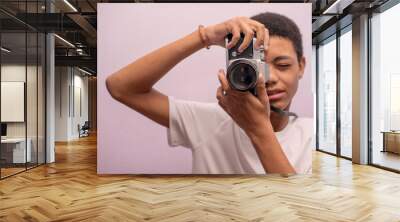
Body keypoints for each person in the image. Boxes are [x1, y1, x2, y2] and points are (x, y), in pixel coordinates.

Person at [106, 12, 313, 174]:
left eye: (283, 65)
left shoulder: (312, 135)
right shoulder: (210, 121)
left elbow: (299, 210)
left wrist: (259, 129)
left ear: (301, 66)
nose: (268, 78)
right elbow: (120, 87)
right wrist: (205, 36)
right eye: (258, 67)